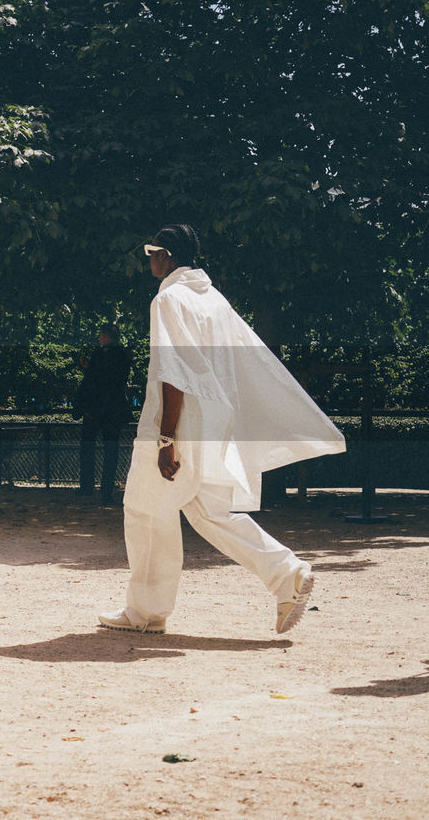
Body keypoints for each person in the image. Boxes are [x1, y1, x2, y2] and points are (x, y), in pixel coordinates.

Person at [99, 225, 345, 635]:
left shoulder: (168, 299)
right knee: (212, 513)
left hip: (179, 425)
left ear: (169, 255)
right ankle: (288, 574)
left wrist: (166, 439)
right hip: (213, 425)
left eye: (152, 251)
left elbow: (172, 371)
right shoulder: (213, 299)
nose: (149, 259)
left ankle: (146, 612)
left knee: (144, 510)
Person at [76, 323, 131, 504]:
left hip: (95, 409)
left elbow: (93, 382)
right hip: (114, 410)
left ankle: (86, 486)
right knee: (111, 451)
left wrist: (83, 406)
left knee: (87, 448)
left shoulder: (99, 355)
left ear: (105, 337)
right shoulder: (123, 355)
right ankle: (107, 491)